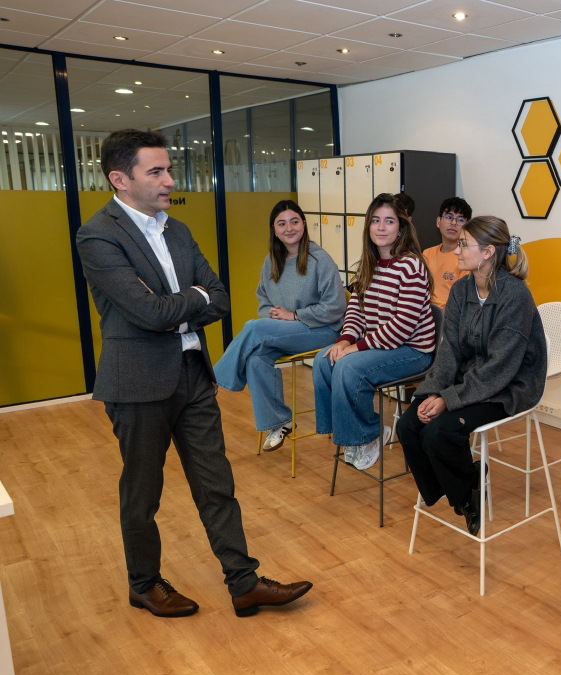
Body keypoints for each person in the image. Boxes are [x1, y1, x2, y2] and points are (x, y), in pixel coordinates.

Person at [76, 129, 312, 618]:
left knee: (216, 483)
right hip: (137, 383)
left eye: (168, 169)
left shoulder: (177, 229)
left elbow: (219, 297)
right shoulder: (98, 235)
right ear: (120, 179)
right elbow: (148, 313)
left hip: (191, 372)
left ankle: (244, 583)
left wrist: (180, 304)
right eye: (156, 171)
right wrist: (188, 302)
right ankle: (143, 583)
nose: (170, 180)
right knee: (143, 493)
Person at [396, 216, 546, 536]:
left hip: (509, 385)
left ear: (489, 252)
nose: (457, 250)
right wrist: (433, 391)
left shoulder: (514, 295)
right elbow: (448, 348)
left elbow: (500, 368)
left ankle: (464, 494)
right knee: (408, 425)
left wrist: (448, 400)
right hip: (471, 378)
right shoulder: (462, 289)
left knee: (439, 433)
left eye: (464, 244)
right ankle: (462, 488)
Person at [313, 193, 436, 470]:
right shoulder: (368, 265)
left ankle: (370, 434)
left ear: (401, 228)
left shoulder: (411, 266)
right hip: (381, 345)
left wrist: (355, 348)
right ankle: (350, 435)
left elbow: (402, 326)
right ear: (368, 226)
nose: (381, 227)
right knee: (325, 360)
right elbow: (356, 311)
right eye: (376, 221)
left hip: (413, 351)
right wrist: (345, 340)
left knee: (348, 368)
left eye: (389, 221)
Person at [214, 200, 345, 451]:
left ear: (304, 225)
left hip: (322, 331)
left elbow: (336, 306)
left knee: (254, 328)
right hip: (287, 332)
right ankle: (280, 421)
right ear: (274, 230)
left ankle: (214, 381)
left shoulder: (320, 259)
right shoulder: (272, 261)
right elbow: (263, 300)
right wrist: (275, 316)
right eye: (281, 224)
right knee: (255, 359)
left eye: (294, 222)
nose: (289, 228)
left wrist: (294, 316)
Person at [421, 196, 473, 308]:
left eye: (460, 220)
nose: (453, 223)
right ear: (438, 222)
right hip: (425, 314)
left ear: (467, 226)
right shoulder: (426, 254)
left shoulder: (467, 258)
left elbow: (463, 300)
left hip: (450, 317)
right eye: (449, 217)